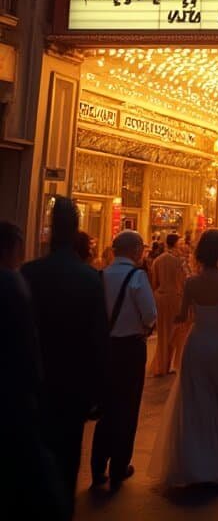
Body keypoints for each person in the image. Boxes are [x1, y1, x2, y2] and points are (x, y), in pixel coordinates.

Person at [149, 229, 218, 489]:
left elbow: (182, 316)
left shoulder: (191, 283)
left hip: (197, 343)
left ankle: (195, 459)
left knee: (195, 401)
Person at [18, 198, 107, 515]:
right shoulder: (89, 279)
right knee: (68, 455)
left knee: (32, 452)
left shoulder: (29, 273)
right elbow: (99, 340)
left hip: (34, 383)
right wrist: (99, 390)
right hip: (74, 385)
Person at [1, 221, 69, 520]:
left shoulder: (25, 276)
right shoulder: (12, 284)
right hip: (17, 390)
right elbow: (26, 343)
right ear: (13, 248)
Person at [90, 229, 157, 494]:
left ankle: (97, 466)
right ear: (136, 250)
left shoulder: (101, 275)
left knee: (106, 408)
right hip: (130, 348)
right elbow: (150, 314)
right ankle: (119, 466)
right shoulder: (137, 276)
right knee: (127, 408)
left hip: (106, 348)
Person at [148, 233, 188, 377]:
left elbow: (155, 283)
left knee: (163, 333)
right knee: (176, 333)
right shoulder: (179, 261)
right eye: (181, 242)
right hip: (175, 298)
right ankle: (172, 364)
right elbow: (184, 281)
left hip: (160, 298)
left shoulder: (158, 260)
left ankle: (161, 365)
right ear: (176, 243)